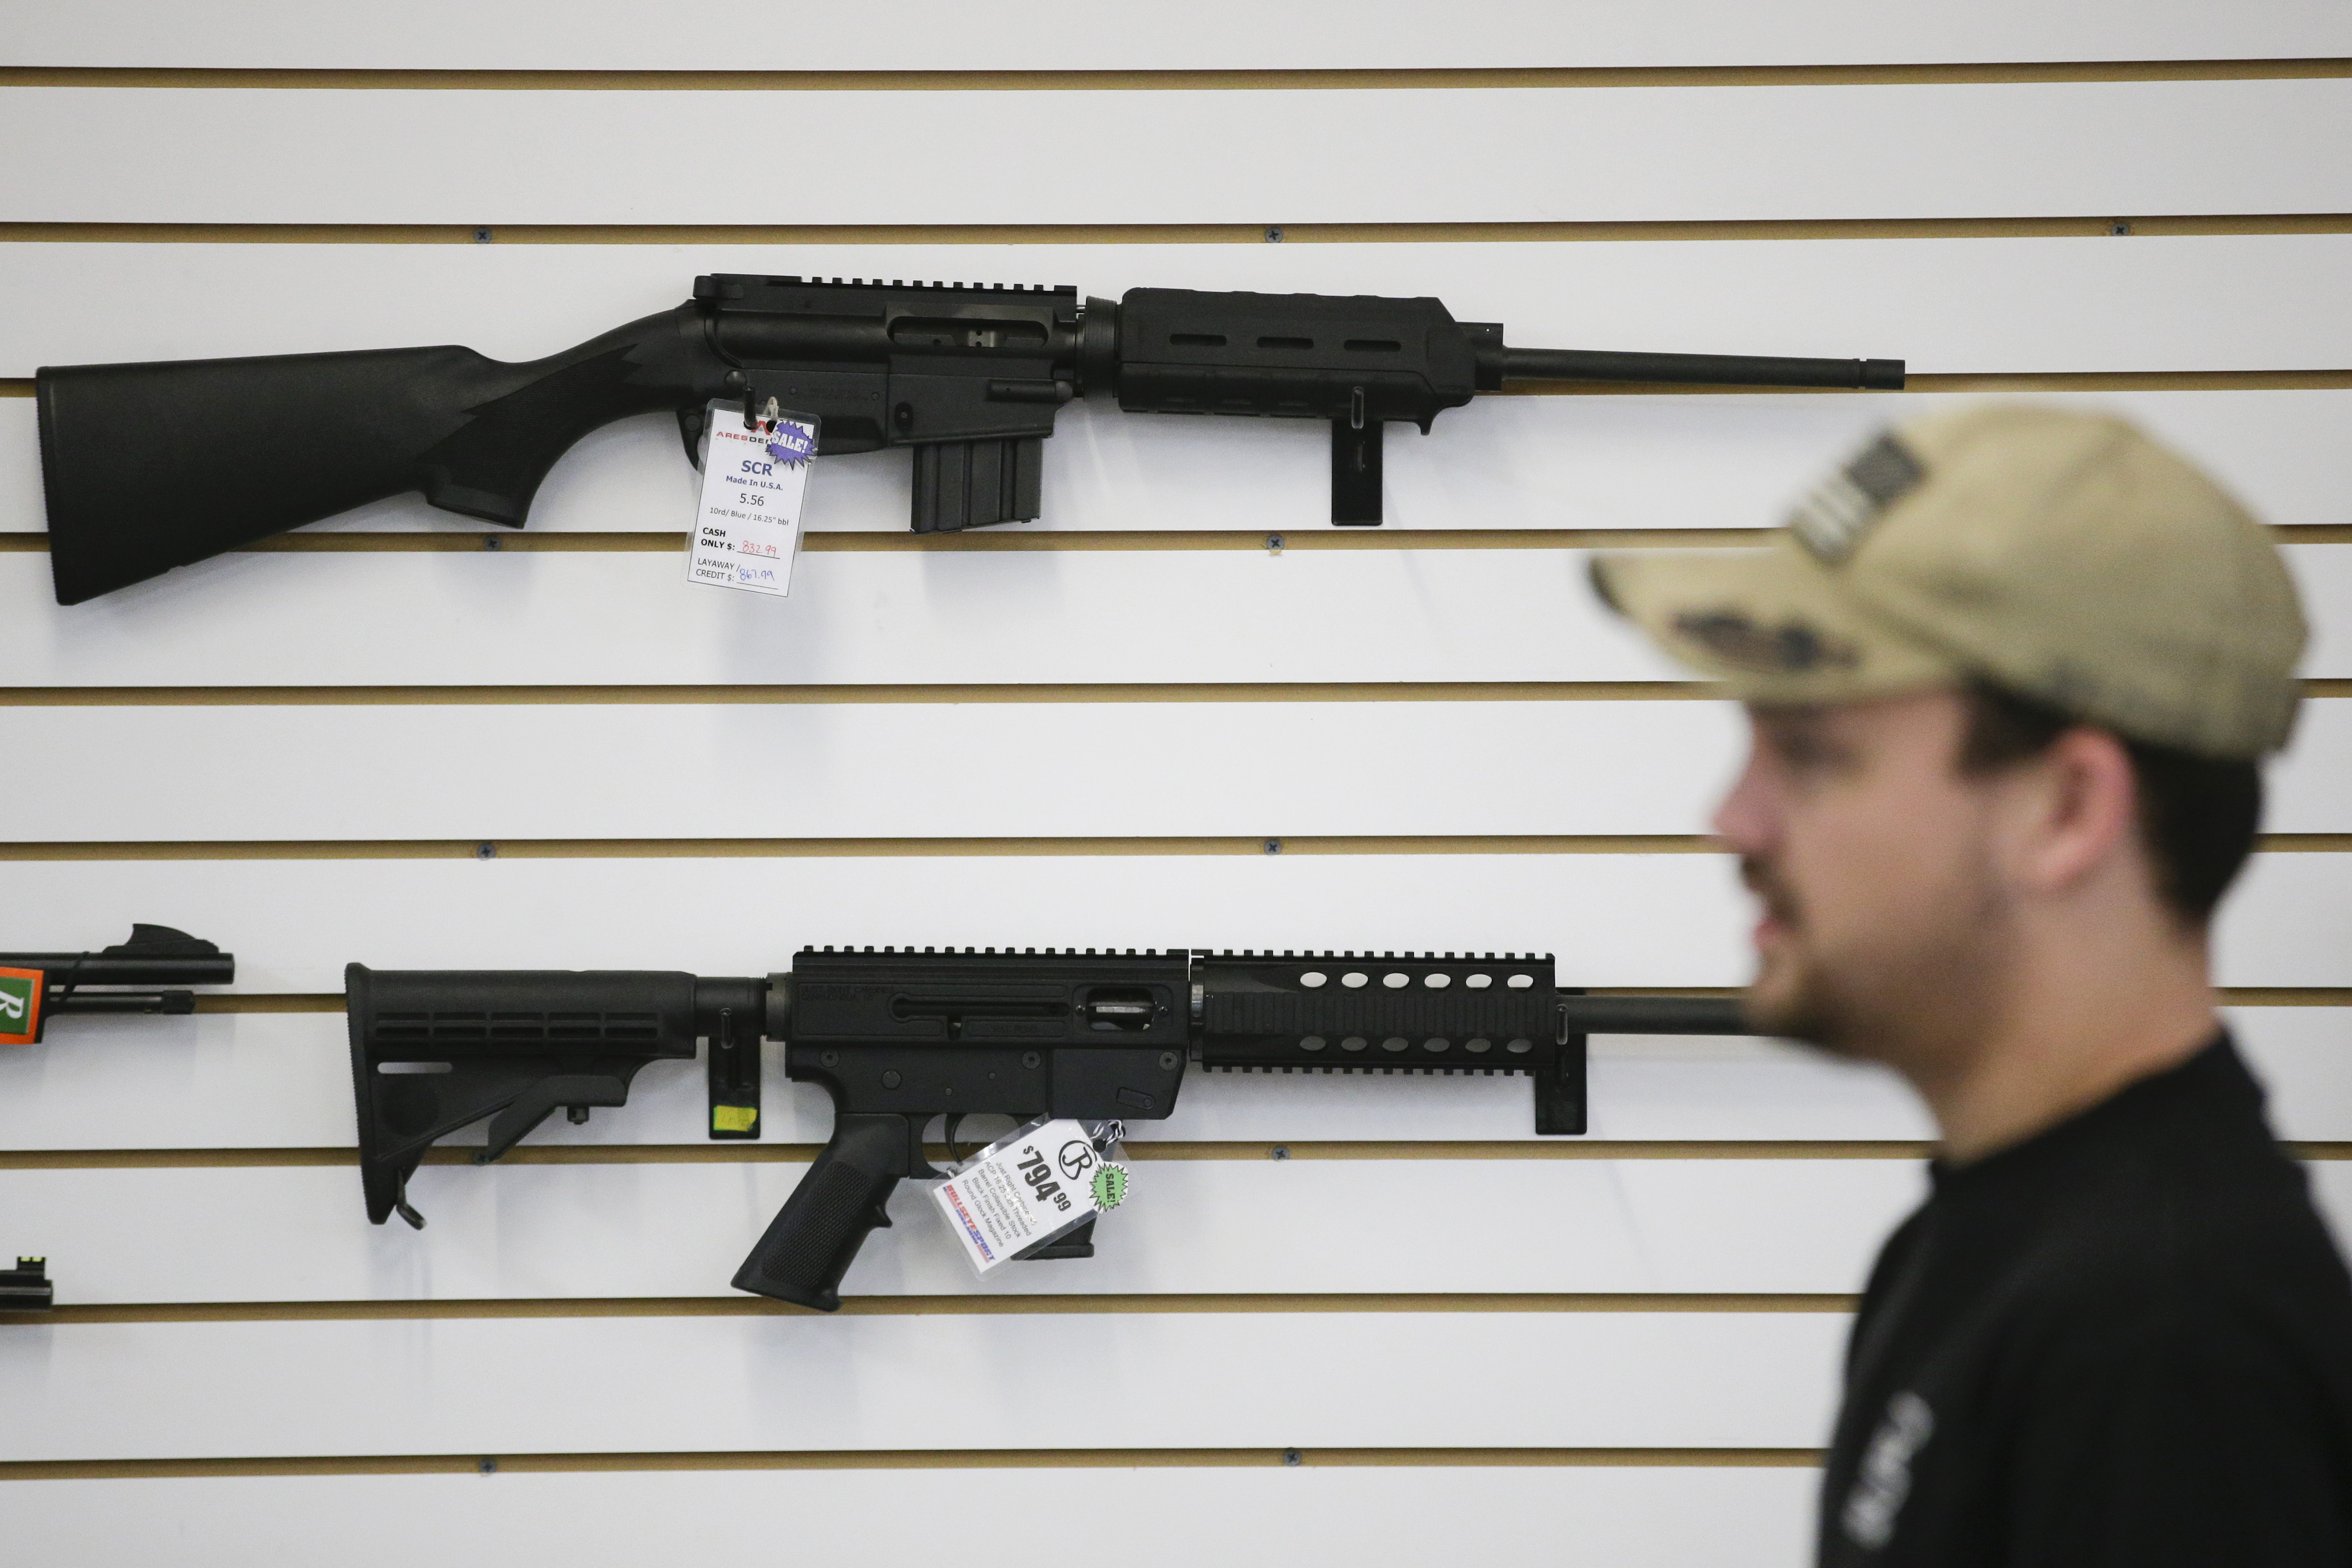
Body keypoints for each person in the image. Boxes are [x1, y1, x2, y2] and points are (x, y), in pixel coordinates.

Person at [1590, 406, 2352, 1566]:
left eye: (1807, 753)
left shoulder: (2167, 1342)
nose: (1732, 820)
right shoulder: (2003, 1247)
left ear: (2068, 811)